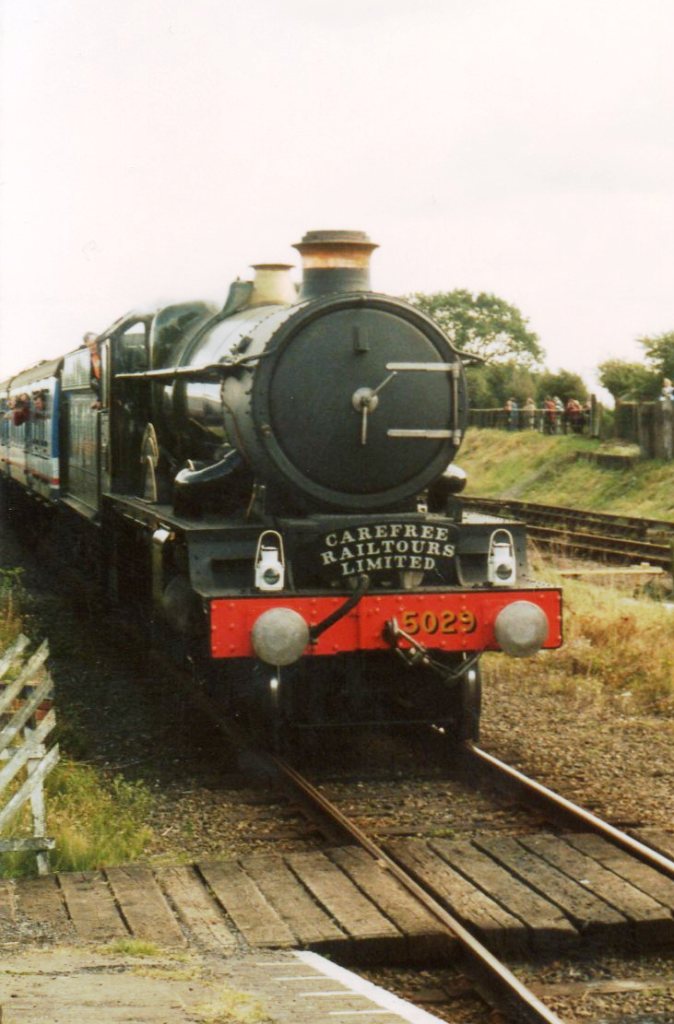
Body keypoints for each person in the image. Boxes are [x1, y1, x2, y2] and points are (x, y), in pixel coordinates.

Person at [84, 332, 102, 408]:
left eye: (94, 344)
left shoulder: (104, 353)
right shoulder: (89, 358)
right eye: (90, 345)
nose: (93, 347)